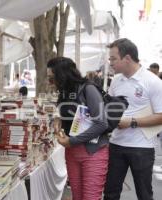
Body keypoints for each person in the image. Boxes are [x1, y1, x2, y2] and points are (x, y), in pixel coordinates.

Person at [103, 38, 162, 200]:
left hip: (142, 148)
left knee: (144, 194)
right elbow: (110, 108)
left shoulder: (153, 82)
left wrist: (132, 122)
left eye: (113, 59)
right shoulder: (115, 80)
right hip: (116, 144)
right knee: (110, 193)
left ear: (127, 58)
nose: (111, 63)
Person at [47, 57, 109, 200]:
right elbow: (72, 114)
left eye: (51, 79)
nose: (50, 83)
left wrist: (72, 141)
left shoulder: (89, 89)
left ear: (62, 75)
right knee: (77, 196)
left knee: (90, 197)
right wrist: (59, 119)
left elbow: (101, 123)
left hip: (93, 152)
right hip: (72, 152)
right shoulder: (65, 92)